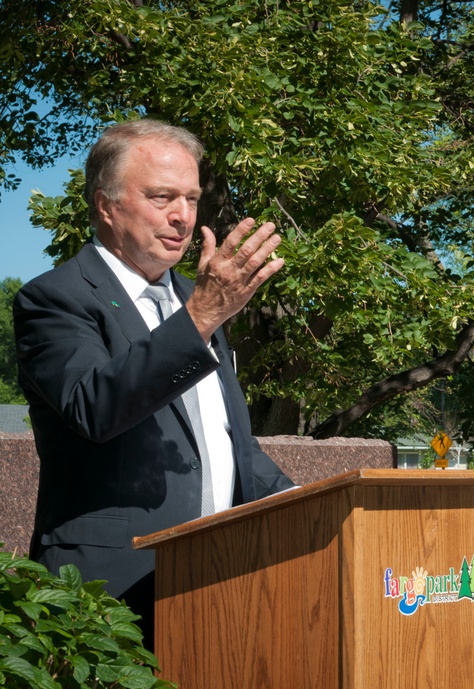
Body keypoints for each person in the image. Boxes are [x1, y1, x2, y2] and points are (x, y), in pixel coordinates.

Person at [14, 119, 296, 650]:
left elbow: (227, 444)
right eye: (162, 196)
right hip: (109, 595)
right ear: (105, 205)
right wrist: (200, 318)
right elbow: (94, 406)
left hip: (220, 585)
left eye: (191, 199)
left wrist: (320, 505)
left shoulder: (202, 299)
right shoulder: (55, 299)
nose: (182, 216)